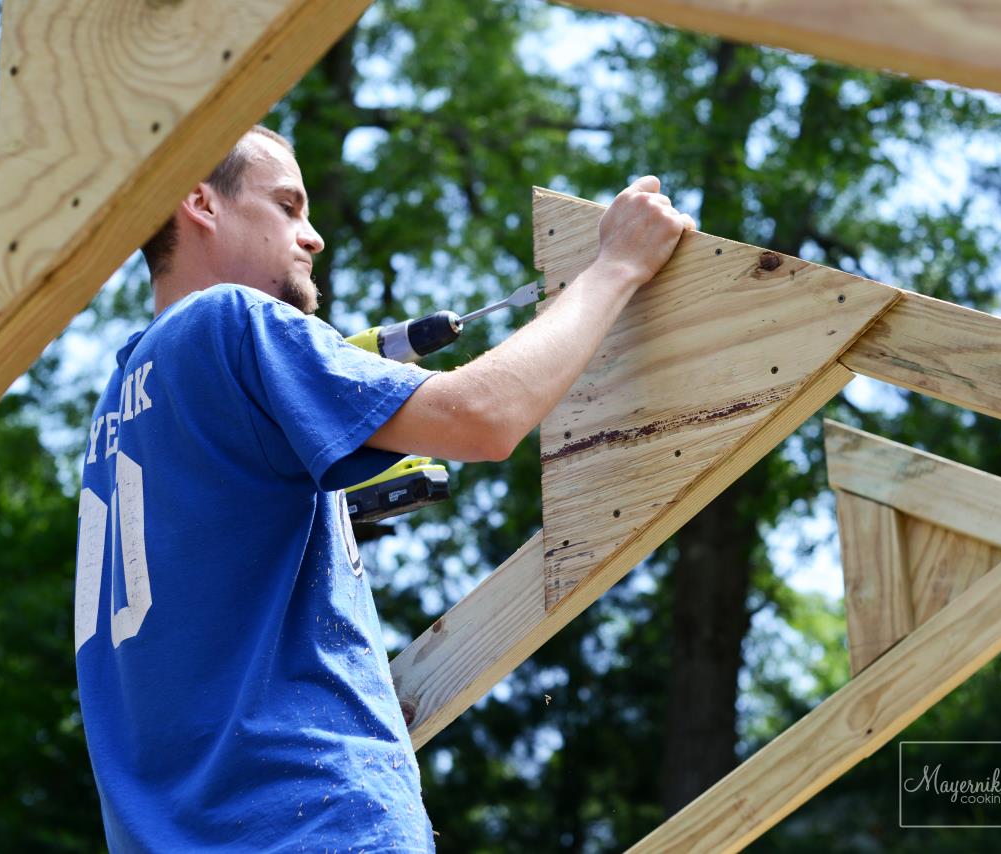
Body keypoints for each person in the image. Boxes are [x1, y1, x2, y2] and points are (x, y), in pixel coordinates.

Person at [74, 124, 694, 851]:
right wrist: (615, 265)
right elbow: (482, 419)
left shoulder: (119, 403)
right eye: (286, 205)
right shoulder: (231, 320)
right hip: (316, 825)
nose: (313, 238)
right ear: (199, 202)